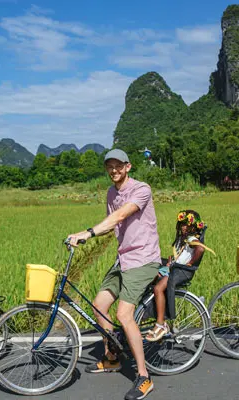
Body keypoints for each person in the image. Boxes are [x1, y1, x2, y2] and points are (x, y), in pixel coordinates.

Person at [67, 148, 160, 400]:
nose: (114, 170)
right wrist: (86, 239)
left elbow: (120, 215)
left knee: (123, 314)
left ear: (128, 166)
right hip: (123, 258)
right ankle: (112, 357)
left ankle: (144, 376)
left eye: (118, 165)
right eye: (110, 166)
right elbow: (112, 223)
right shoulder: (110, 192)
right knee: (98, 306)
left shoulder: (142, 189)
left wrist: (87, 232)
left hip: (143, 258)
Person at [145, 210, 215, 341]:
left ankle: (160, 324)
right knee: (151, 276)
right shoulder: (182, 239)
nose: (183, 227)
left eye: (186, 225)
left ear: (193, 227)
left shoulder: (191, 239)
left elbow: (201, 249)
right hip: (174, 268)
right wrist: (171, 263)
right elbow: (181, 256)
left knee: (158, 288)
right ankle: (159, 315)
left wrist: (190, 263)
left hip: (179, 271)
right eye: (182, 225)